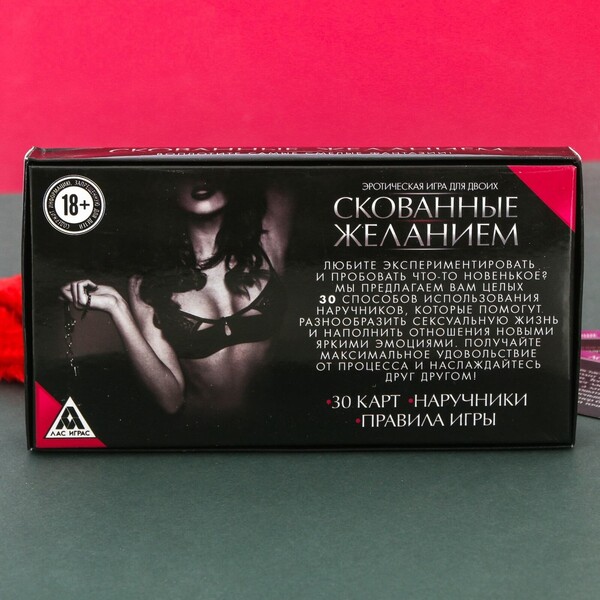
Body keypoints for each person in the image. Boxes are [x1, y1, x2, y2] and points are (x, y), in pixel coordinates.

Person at [61, 172, 293, 420]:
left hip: (273, 425)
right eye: (185, 171)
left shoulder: (268, 238)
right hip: (201, 432)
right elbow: (171, 401)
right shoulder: (149, 284)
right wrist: (116, 307)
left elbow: (281, 168)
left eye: (210, 166)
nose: (200, 177)